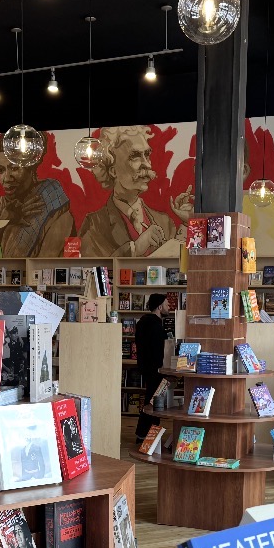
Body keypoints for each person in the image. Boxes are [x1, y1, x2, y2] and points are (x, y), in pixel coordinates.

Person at [79, 126, 190, 257]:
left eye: (147, 155)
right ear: (113, 170)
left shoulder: (165, 222)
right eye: (135, 156)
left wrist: (187, 223)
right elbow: (91, 271)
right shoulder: (94, 225)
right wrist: (135, 248)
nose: (147, 165)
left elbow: (182, 267)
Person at [0, 137, 75, 257]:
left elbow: (46, 266)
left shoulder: (53, 204)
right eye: (1, 170)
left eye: (14, 168)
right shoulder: (2, 205)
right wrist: (5, 219)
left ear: (31, 167)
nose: (7, 178)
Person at [134, 293, 170, 442]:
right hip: (155, 369)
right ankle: (146, 436)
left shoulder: (142, 322)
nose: (169, 307)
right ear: (160, 307)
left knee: (152, 399)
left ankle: (144, 435)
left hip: (146, 367)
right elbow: (157, 350)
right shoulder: (156, 325)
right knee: (155, 402)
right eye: (167, 305)